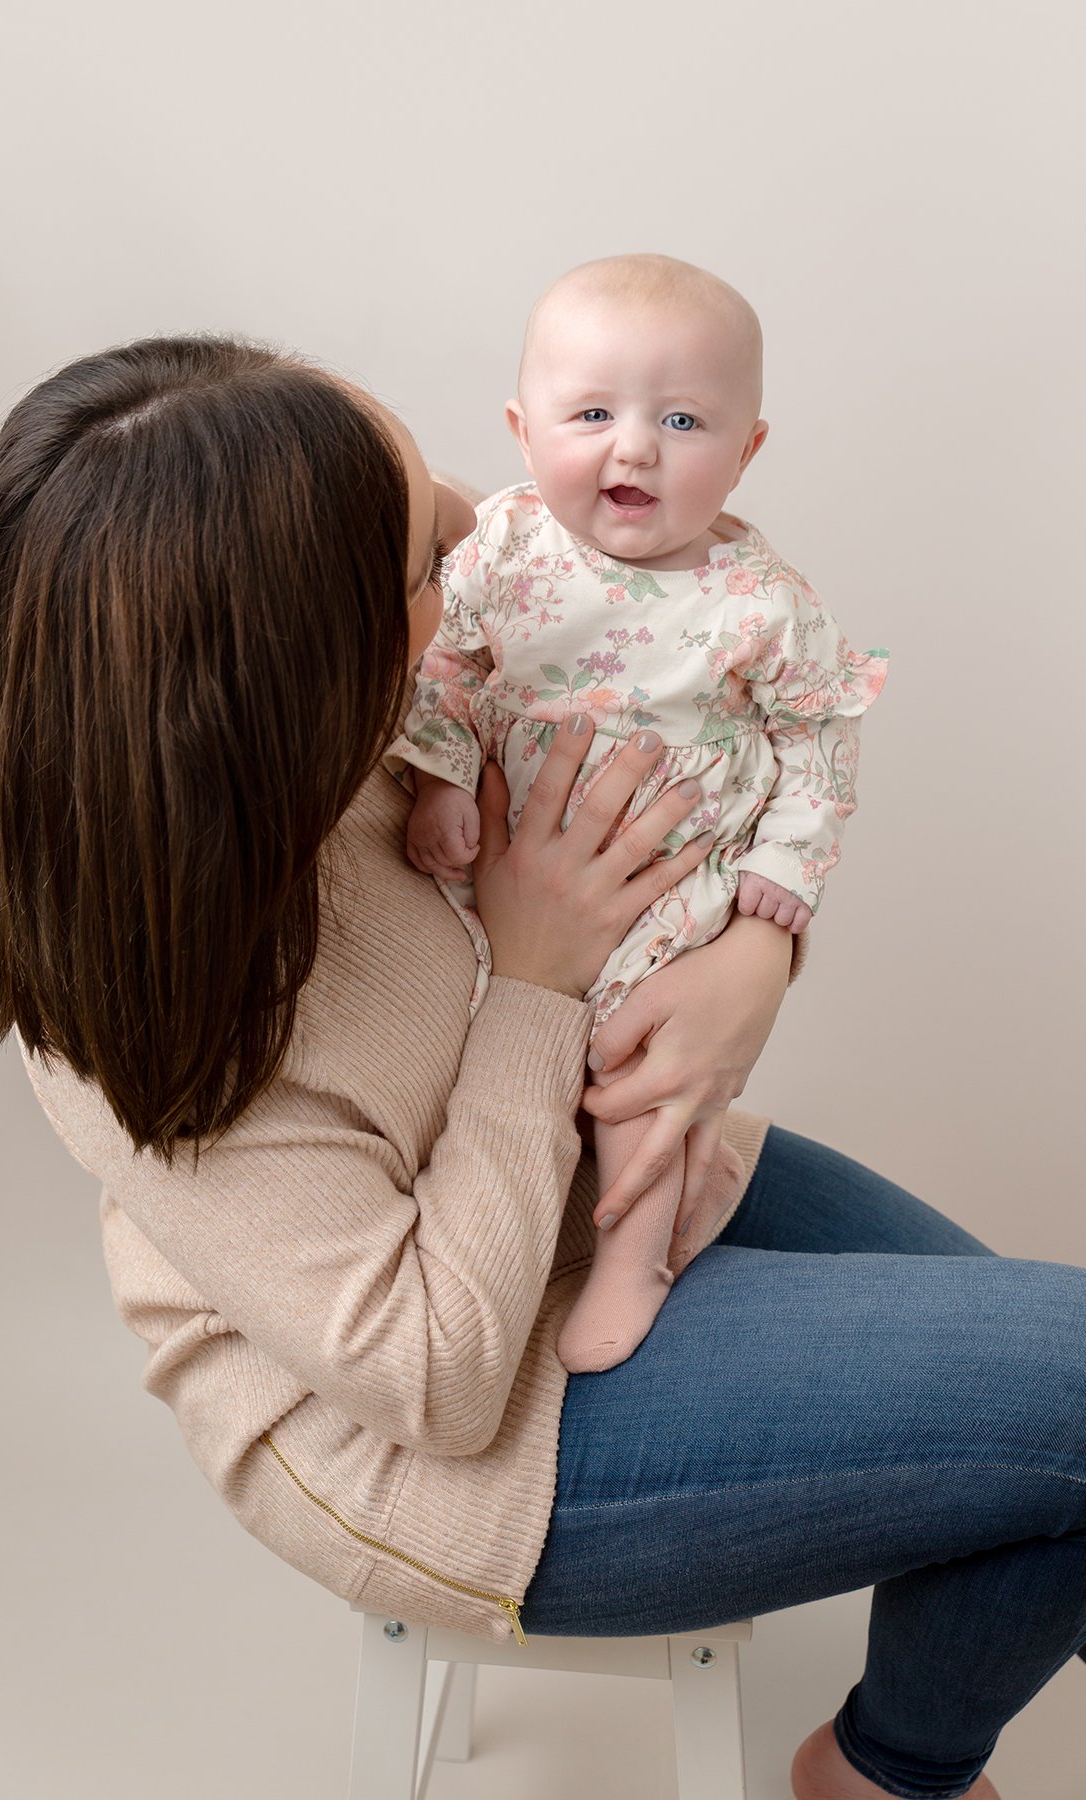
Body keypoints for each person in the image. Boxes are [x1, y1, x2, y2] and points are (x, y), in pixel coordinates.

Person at [0, 334, 1086, 1800]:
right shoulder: (144, 1010)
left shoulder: (346, 684)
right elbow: (436, 1379)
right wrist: (534, 977)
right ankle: (890, 1774)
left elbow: (674, 748)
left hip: (590, 1180)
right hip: (456, 1444)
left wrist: (752, 972)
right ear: (307, 654)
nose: (480, 542)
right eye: (426, 560)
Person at [384, 253, 888, 1372]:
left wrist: (787, 881)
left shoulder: (761, 602)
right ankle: (517, 1235)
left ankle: (637, 1248)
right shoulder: (497, 550)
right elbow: (448, 670)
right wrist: (441, 778)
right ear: (524, 430)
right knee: (486, 1041)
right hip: (510, 872)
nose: (636, 447)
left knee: (636, 1063)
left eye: (683, 419)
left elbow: (818, 735)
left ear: (748, 450)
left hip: (673, 883)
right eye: (595, 412)